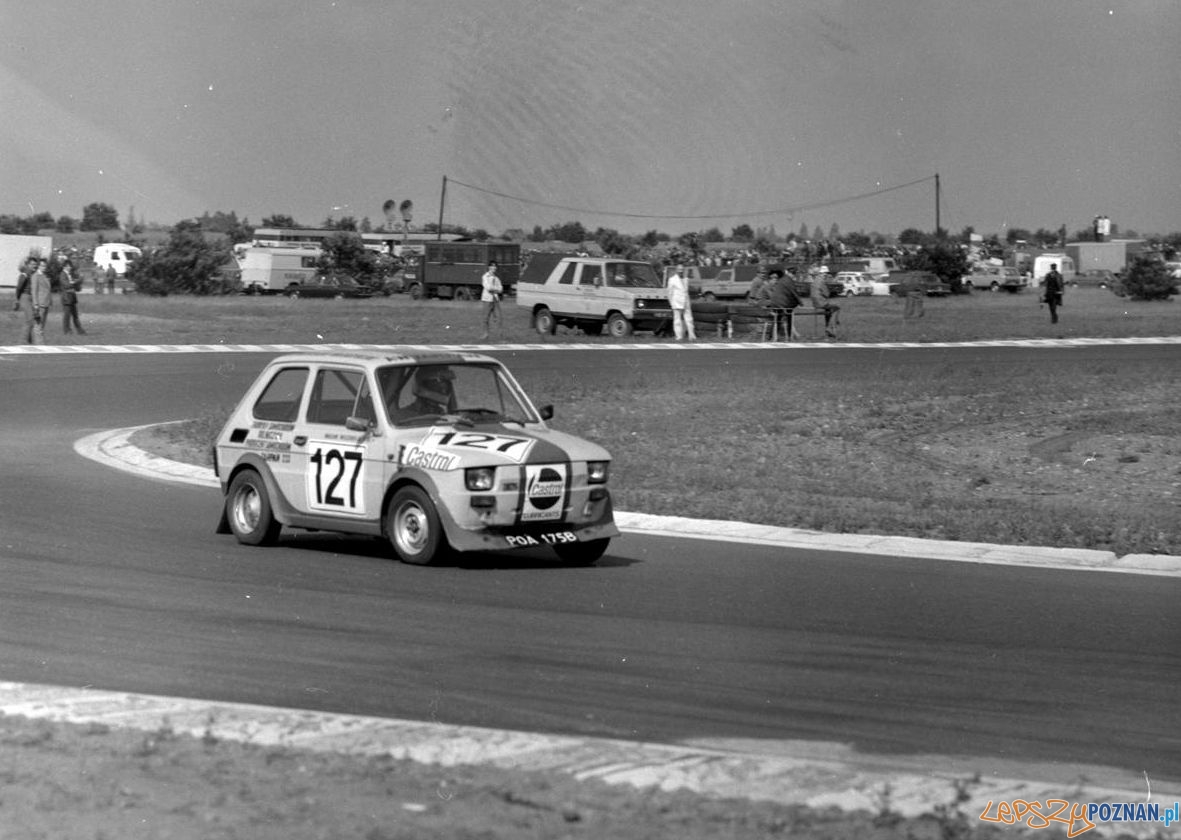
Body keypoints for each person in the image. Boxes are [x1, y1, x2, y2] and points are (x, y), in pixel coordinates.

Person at [767, 268, 801, 340]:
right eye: (793, 273)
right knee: (789, 318)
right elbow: (794, 292)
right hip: (782, 303)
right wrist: (800, 303)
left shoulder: (782, 279)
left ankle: (771, 336)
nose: (793, 275)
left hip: (776, 303)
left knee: (777, 319)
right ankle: (789, 336)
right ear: (788, 273)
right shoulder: (788, 280)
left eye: (794, 273)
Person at [666, 263, 696, 340]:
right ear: (676, 270)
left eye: (682, 270)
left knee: (689, 319)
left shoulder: (686, 279)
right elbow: (669, 292)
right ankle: (679, 336)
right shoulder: (672, 279)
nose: (681, 271)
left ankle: (691, 336)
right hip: (676, 302)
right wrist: (671, 303)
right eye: (679, 270)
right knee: (677, 320)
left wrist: (688, 301)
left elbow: (686, 292)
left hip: (686, 302)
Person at [808, 267, 840, 338]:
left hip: (815, 303)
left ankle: (828, 328)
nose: (826, 275)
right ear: (821, 273)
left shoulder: (815, 280)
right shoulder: (822, 281)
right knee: (837, 308)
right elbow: (827, 294)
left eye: (827, 273)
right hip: (821, 303)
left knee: (828, 310)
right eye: (825, 273)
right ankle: (831, 327)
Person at [28, 259, 53, 344]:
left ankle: (39, 343)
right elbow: (34, 291)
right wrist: (35, 304)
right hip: (40, 304)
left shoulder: (44, 276)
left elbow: (48, 290)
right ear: (38, 266)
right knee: (38, 325)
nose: (44, 267)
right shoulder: (35, 276)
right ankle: (40, 344)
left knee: (42, 325)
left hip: (46, 303)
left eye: (45, 266)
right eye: (42, 265)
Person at [59, 260, 86, 335]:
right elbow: (66, 285)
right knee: (67, 315)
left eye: (70, 266)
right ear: (64, 267)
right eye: (68, 266)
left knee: (75, 315)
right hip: (66, 297)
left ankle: (80, 330)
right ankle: (67, 331)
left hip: (72, 297)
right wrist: (77, 281)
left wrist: (79, 283)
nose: (69, 267)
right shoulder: (62, 274)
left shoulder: (70, 275)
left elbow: (75, 286)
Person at [480, 260, 502, 340]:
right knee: (485, 318)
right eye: (492, 266)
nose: (494, 268)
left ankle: (499, 335)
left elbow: (500, 289)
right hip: (487, 299)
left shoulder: (496, 278)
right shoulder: (485, 277)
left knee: (497, 317)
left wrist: (494, 289)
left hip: (495, 299)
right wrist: (495, 289)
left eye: (495, 266)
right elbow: (488, 287)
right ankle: (485, 334)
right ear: (489, 267)